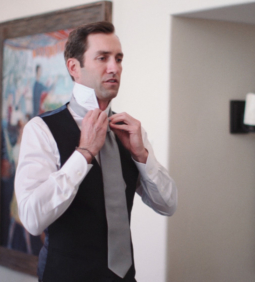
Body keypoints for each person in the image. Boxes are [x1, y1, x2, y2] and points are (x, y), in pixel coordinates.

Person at [15, 21, 177, 282]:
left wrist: (142, 157)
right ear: (73, 68)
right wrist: (84, 154)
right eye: (103, 58)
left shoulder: (130, 132)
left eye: (119, 59)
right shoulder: (41, 130)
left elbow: (168, 205)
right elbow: (32, 218)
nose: (115, 68)